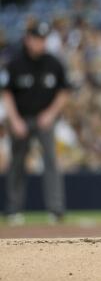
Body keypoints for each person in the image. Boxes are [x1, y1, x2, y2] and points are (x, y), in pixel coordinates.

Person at [1, 22, 69, 224]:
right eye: (38, 39)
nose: (41, 43)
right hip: (21, 119)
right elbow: (7, 93)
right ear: (28, 39)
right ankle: (13, 210)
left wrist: (50, 114)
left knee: (51, 163)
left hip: (45, 120)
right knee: (17, 163)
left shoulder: (53, 63)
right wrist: (14, 120)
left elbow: (64, 91)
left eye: (44, 39)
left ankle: (56, 210)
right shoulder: (15, 63)